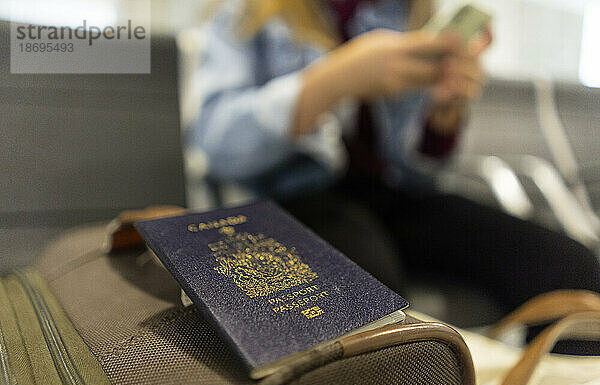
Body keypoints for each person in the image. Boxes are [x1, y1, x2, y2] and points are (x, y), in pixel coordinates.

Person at [189, 0, 600, 321]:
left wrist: (442, 118)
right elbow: (216, 142)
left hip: (394, 199)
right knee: (365, 284)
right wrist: (332, 81)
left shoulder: (403, 13)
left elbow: (415, 172)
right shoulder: (248, 13)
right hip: (293, 202)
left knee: (568, 267)